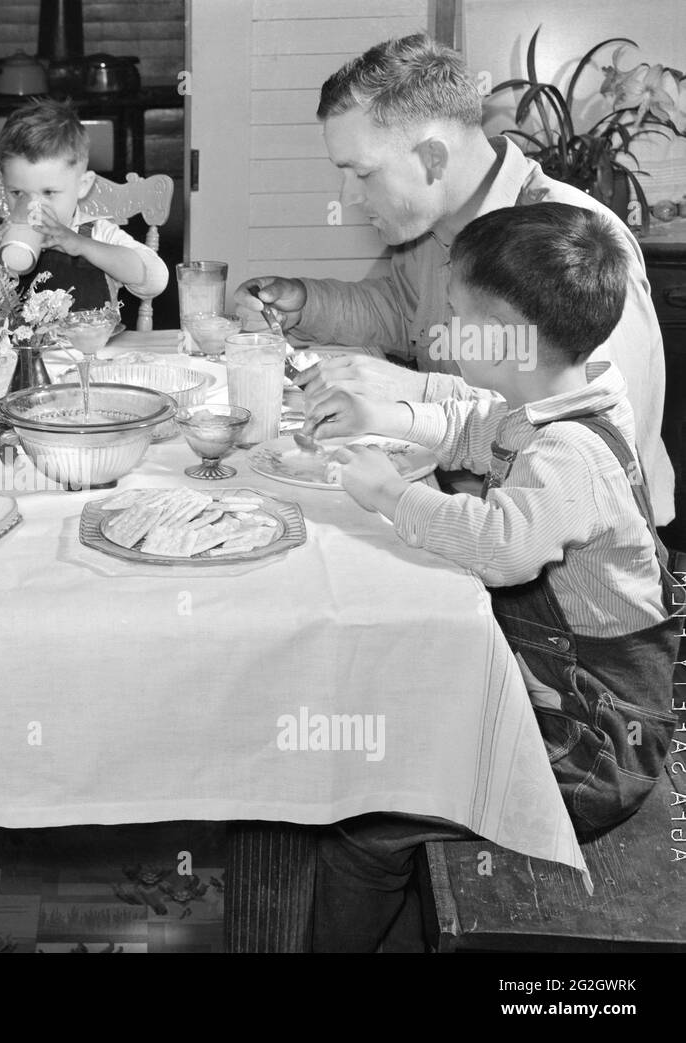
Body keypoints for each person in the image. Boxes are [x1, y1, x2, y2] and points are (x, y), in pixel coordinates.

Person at [305, 202, 680, 952]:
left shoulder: (570, 455)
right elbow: (473, 429)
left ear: (508, 334)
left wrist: (388, 492)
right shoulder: (553, 404)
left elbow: (501, 544)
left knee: (363, 823)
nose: (442, 333)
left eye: (456, 317)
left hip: (591, 742)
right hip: (554, 691)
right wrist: (379, 410)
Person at [232, 33, 674, 525]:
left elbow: (599, 429)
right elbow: (403, 310)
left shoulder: (570, 242)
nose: (350, 196)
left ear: (434, 157)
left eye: (362, 173)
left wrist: (412, 393)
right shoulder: (432, 225)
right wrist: (307, 303)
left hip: (565, 564)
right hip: (461, 503)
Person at [0, 99, 168, 318]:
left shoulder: (98, 233)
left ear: (83, 186)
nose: (33, 207)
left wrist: (81, 245)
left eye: (48, 192)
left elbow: (156, 280)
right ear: (4, 186)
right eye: (18, 193)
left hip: (87, 355)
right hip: (20, 357)